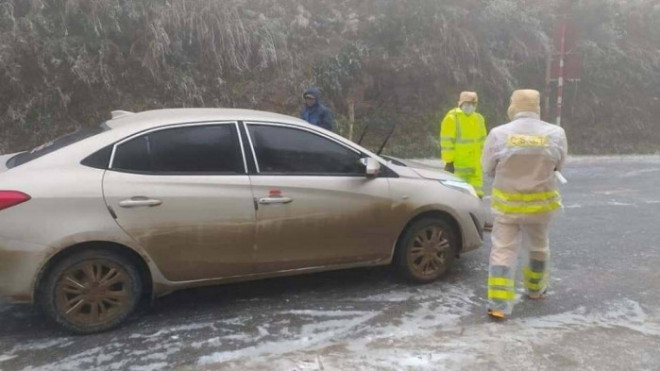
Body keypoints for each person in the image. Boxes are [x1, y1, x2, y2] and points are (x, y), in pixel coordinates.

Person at [481, 89, 568, 320]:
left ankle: (499, 305)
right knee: (538, 248)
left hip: (507, 208)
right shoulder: (556, 133)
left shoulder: (499, 134)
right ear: (537, 107)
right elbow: (559, 166)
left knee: (502, 252)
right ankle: (535, 290)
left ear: (513, 106)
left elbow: (487, 167)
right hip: (540, 207)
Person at [440, 91, 487, 197]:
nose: (471, 106)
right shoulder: (452, 118)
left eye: (473, 104)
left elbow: (483, 142)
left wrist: (485, 158)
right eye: (468, 103)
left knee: (476, 197)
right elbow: (447, 143)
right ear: (461, 104)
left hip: (475, 168)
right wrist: (449, 162)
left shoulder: (479, 119)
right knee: (458, 198)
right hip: (458, 168)